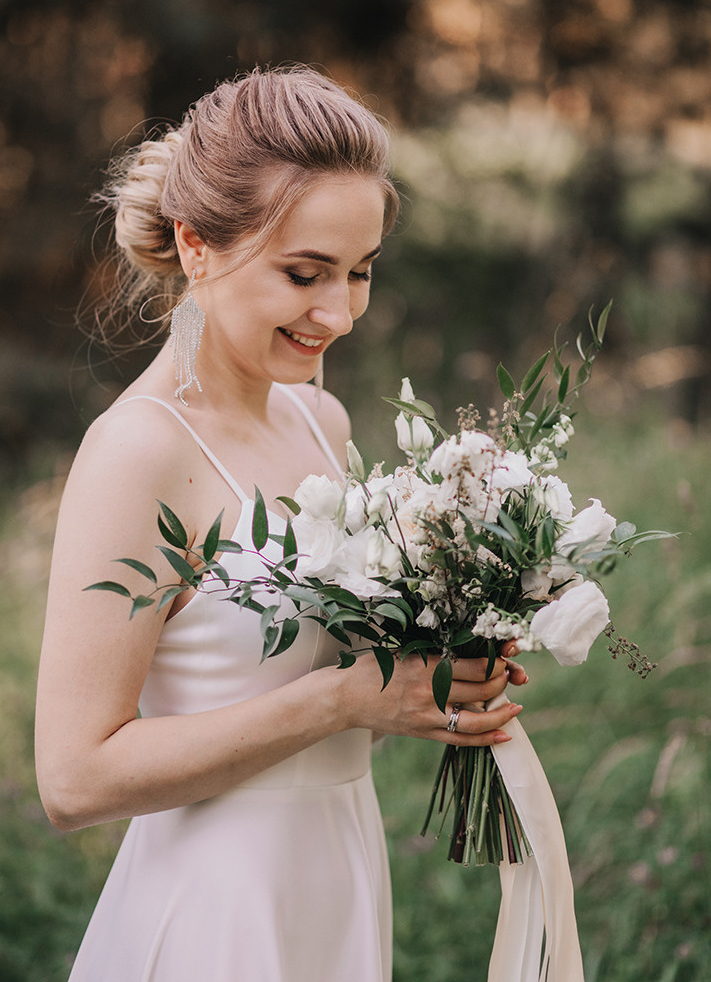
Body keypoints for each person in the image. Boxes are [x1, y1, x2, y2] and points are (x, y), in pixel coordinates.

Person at [35, 66, 527, 982]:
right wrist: (345, 698)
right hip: (216, 914)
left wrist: (427, 680)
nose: (337, 314)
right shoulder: (137, 452)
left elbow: (322, 695)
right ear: (196, 246)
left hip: (336, 879)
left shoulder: (317, 418)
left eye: (360, 274)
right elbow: (73, 781)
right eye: (304, 274)